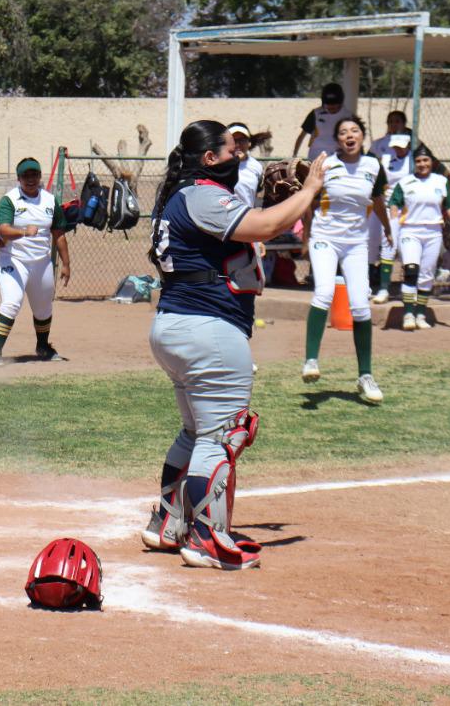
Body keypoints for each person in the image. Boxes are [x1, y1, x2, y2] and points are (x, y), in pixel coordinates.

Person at [140, 119, 327, 570]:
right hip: (208, 329)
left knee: (195, 433)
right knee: (221, 437)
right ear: (209, 158)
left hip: (178, 325)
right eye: (231, 149)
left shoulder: (181, 194)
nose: (239, 155)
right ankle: (205, 538)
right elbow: (263, 227)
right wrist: (310, 192)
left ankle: (169, 522)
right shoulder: (203, 193)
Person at [300, 116, 392, 405]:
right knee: (325, 292)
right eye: (343, 132)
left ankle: (365, 375)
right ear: (337, 139)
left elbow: (376, 199)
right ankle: (311, 360)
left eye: (354, 131)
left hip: (356, 243)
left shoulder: (373, 165)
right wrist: (305, 236)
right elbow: (308, 198)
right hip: (325, 237)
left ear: (363, 136)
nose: (349, 136)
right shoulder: (326, 163)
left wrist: (387, 227)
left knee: (361, 305)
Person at [0, 157, 71, 364]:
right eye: (26, 175)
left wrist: (66, 264)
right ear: (19, 178)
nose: (30, 179)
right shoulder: (10, 200)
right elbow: (4, 230)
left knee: (43, 308)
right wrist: (24, 231)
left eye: (34, 174)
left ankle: (43, 347)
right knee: (11, 302)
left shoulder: (50, 201)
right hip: (13, 259)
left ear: (40, 176)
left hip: (41, 262)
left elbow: (59, 234)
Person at [389, 144, 450, 331]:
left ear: (432, 162)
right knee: (411, 269)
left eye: (425, 160)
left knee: (426, 275)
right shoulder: (406, 182)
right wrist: (392, 226)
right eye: (418, 161)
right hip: (410, 230)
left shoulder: (440, 182)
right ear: (414, 163)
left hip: (433, 232)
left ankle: (420, 313)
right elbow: (394, 204)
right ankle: (408, 314)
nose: (422, 164)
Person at [368, 126, 413, 304]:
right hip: (385, 204)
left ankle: (396, 288)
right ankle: (374, 286)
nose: (398, 149)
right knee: (374, 242)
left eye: (401, 146)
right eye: (395, 146)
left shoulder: (414, 160)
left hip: (405, 207)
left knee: (397, 245)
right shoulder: (386, 158)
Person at [292, 82, 353, 160]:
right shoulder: (316, 114)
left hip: (339, 159)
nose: (331, 109)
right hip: (316, 157)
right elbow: (302, 136)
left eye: (334, 106)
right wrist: (294, 155)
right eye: (328, 106)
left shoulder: (348, 116)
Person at [229, 123, 263, 208]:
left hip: (247, 217)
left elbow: (257, 193)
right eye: (233, 140)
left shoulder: (256, 166)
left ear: (249, 143)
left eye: (242, 140)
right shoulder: (219, 164)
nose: (237, 144)